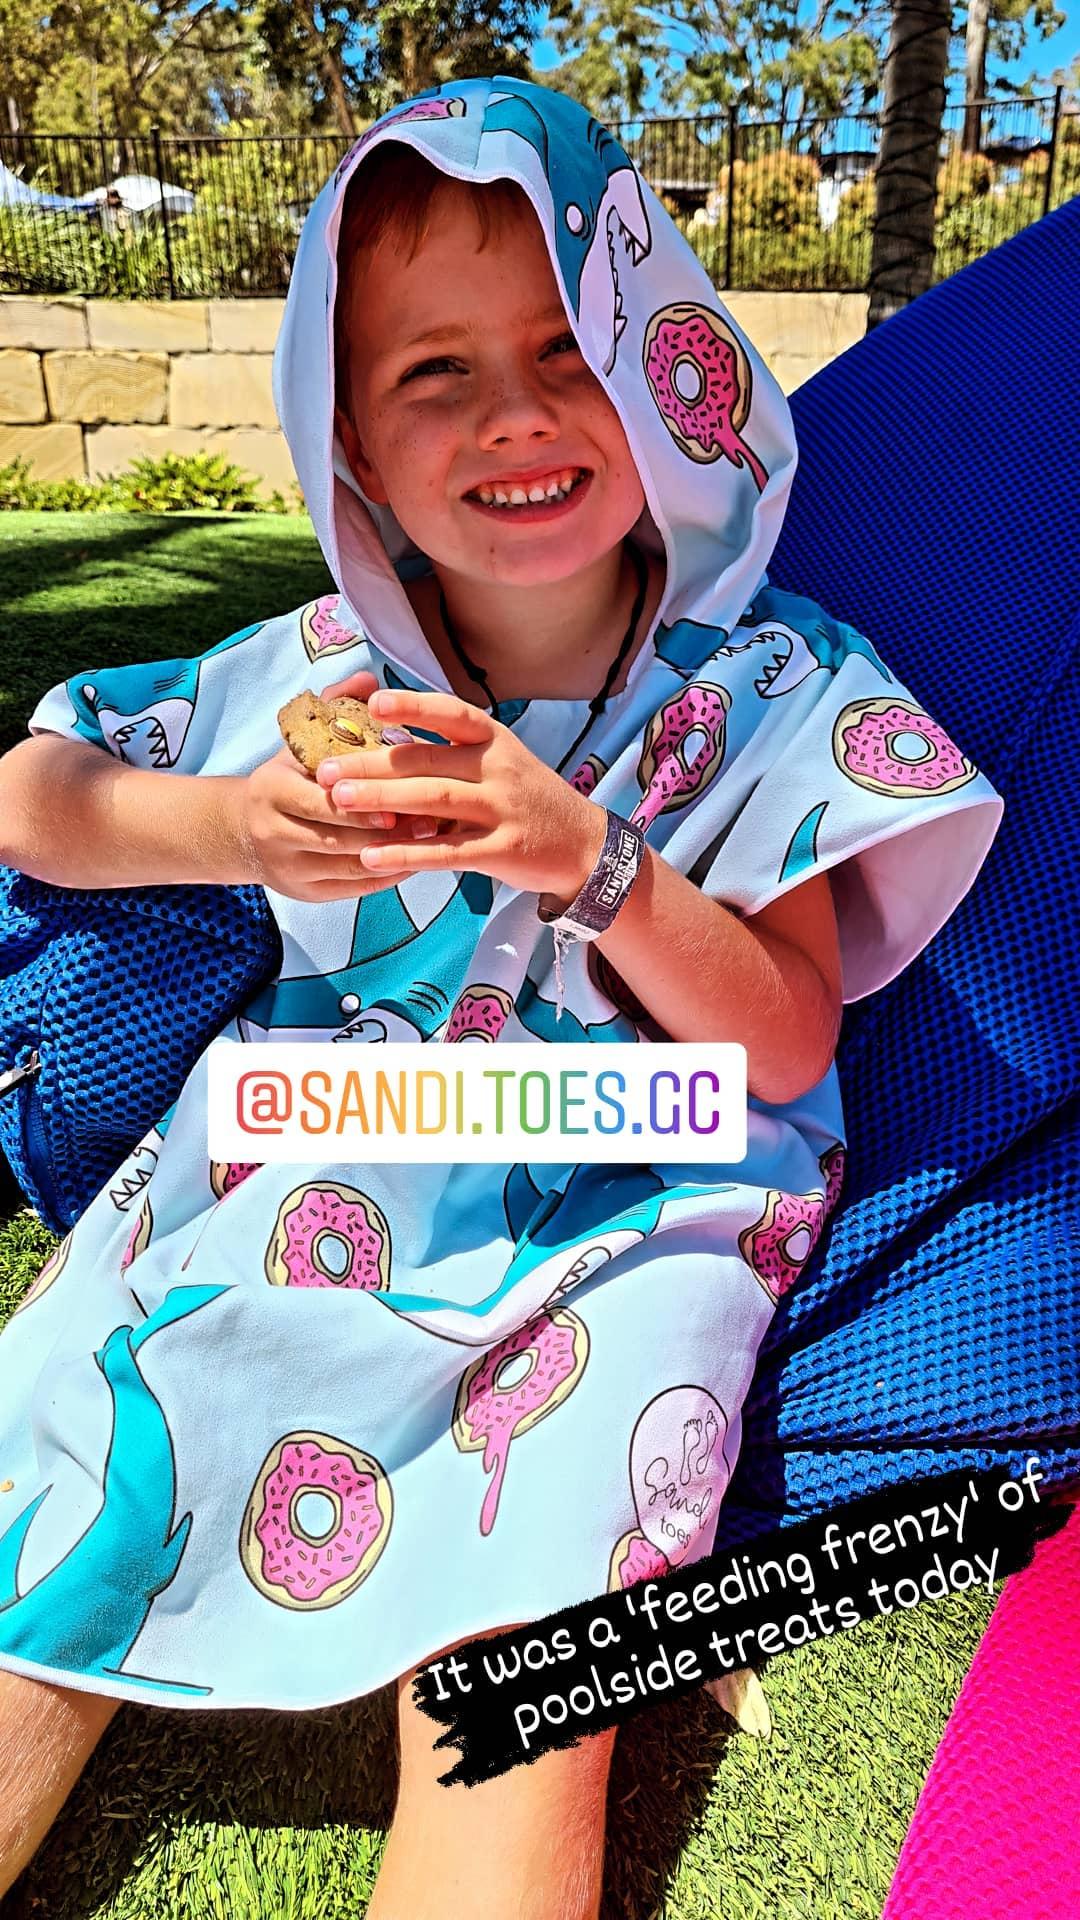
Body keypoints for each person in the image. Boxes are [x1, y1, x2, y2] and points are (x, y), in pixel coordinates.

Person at [0, 76, 1003, 1918]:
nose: (519, 414)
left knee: (522, 1651)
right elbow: (35, 806)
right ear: (354, 450)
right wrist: (232, 825)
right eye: (432, 375)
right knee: (84, 1467)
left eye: (568, 348)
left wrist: (594, 862)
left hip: (648, 1189)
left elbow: (787, 1039)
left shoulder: (783, 683)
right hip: (334, 1143)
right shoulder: (314, 670)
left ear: (662, 370)